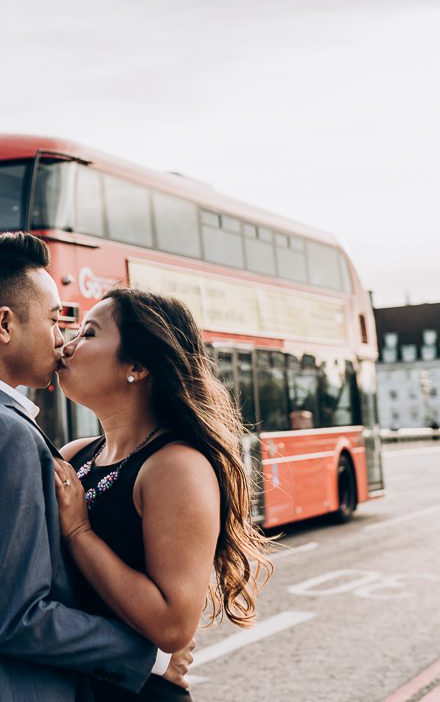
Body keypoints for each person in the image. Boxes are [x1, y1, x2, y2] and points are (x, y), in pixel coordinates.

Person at [0, 233, 190, 701]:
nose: (61, 339)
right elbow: (17, 619)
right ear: (4, 324)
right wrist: (149, 656)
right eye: (52, 320)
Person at [53, 289, 274, 700]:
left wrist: (79, 532)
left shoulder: (175, 467)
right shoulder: (74, 455)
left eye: (88, 334)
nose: (66, 346)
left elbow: (172, 625)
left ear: (136, 366)